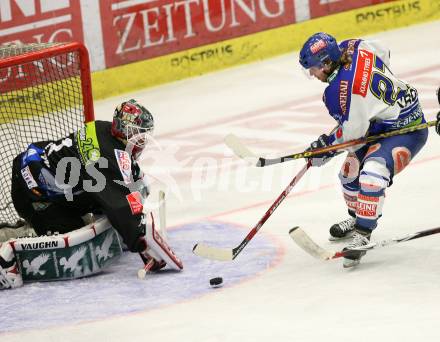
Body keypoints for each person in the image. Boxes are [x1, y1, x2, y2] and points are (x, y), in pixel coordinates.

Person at [0, 99, 182, 289]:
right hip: (33, 191)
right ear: (123, 129)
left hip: (40, 173)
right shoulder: (105, 155)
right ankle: (12, 241)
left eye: (144, 136)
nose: (141, 141)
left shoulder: (104, 130)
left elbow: (124, 180)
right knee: (74, 244)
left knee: (130, 189)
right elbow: (119, 204)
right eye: (137, 134)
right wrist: (141, 242)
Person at [299, 33, 428, 268]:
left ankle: (363, 233)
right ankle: (356, 216)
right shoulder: (353, 45)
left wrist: (326, 148)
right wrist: (375, 103)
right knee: (349, 174)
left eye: (314, 69)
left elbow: (354, 138)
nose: (312, 74)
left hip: (408, 129)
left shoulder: (339, 93)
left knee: (372, 174)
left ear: (327, 63)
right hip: (381, 123)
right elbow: (383, 51)